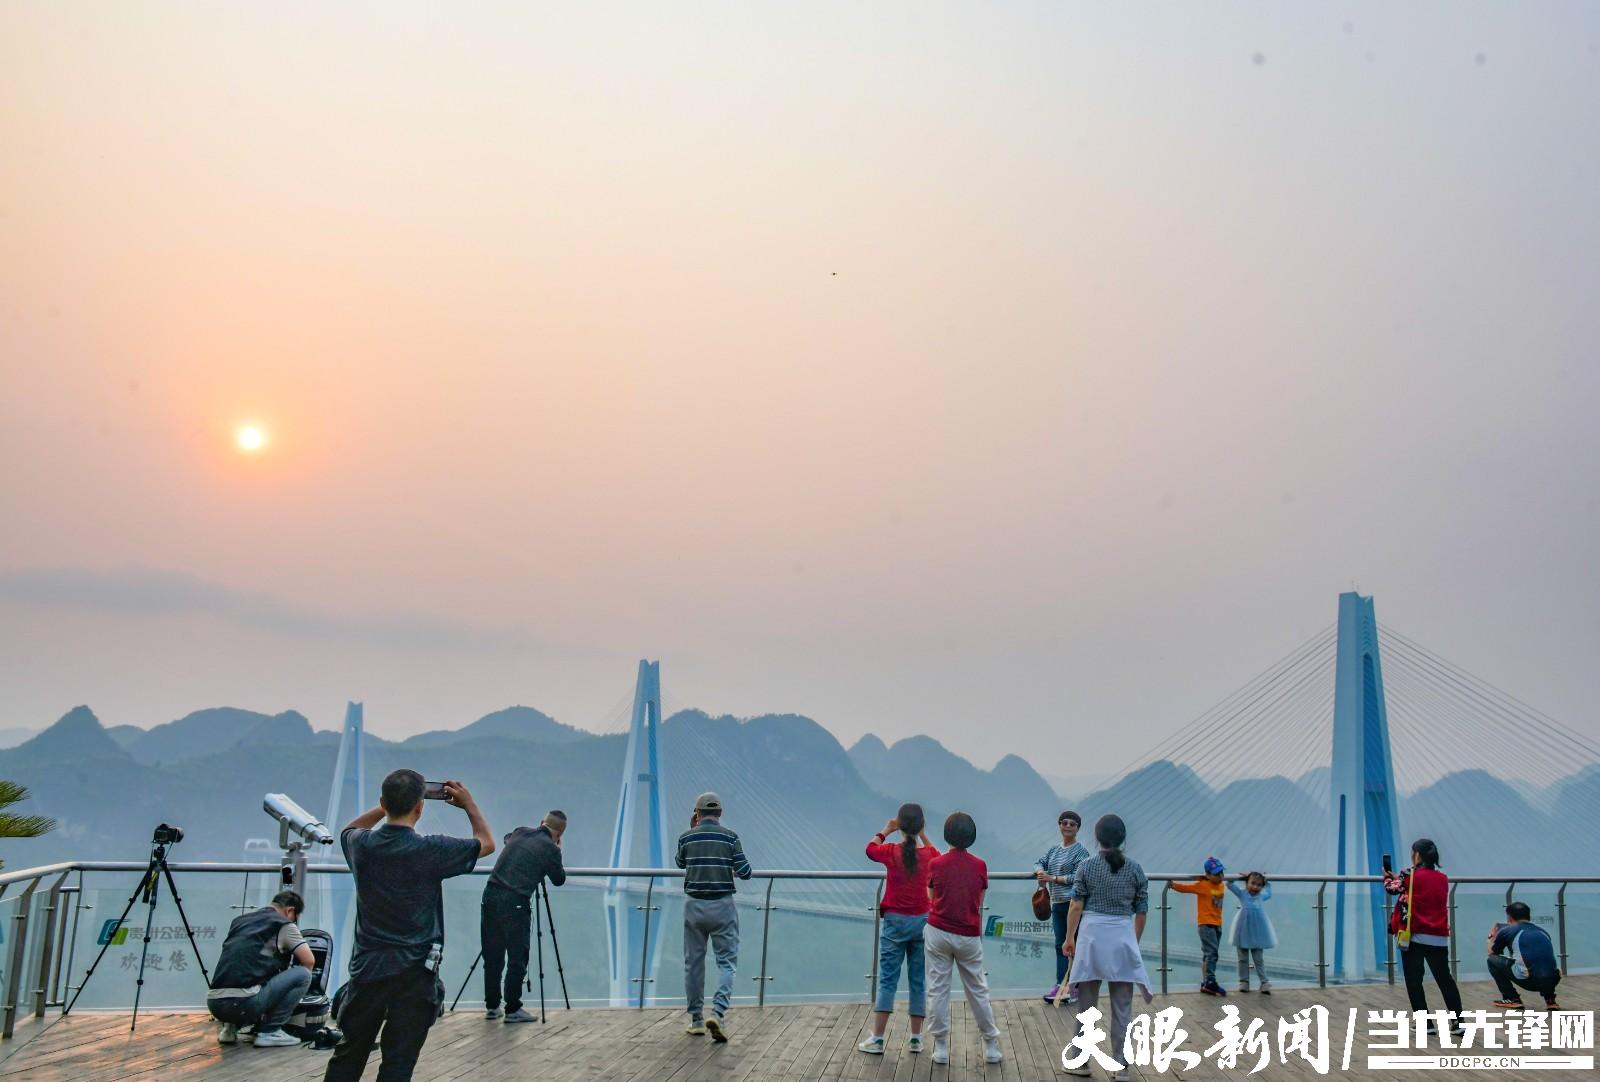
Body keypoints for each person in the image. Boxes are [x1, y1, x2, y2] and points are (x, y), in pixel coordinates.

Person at [324, 771, 493, 1082]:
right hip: (415, 973)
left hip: (368, 969)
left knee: (349, 1055)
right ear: (420, 806)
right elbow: (486, 844)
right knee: (398, 1064)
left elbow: (350, 828)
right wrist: (468, 804)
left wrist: (386, 807)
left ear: (383, 802)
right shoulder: (431, 850)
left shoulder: (362, 846)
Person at [1062, 814, 1153, 1082]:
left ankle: (1081, 1062)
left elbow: (1076, 905)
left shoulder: (1086, 866)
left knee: (1087, 1006)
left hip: (1091, 937)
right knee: (1122, 1007)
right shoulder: (1135, 869)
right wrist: (1131, 943)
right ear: (1123, 839)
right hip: (1122, 937)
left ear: (1096, 837)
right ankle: (1121, 1066)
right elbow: (1142, 911)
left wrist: (1069, 938)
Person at [857, 803, 938, 1056]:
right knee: (918, 981)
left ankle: (878, 1038)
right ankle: (916, 1039)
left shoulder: (891, 851)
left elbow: (869, 849)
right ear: (921, 825)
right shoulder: (929, 856)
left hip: (895, 922)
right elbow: (937, 853)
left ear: (900, 826)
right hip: (922, 922)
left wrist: (886, 829)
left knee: (888, 980)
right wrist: (923, 834)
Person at [924, 811, 1003, 1066]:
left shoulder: (936, 864)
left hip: (938, 931)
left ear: (947, 835)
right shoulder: (980, 865)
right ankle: (991, 1045)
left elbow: (931, 896)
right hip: (968, 934)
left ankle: (941, 1047)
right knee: (977, 989)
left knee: (938, 989)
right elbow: (979, 900)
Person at [676, 791, 752, 1043]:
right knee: (726, 963)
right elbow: (745, 871)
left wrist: (692, 831)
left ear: (696, 814)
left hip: (694, 906)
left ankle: (696, 1020)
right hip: (722, 906)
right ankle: (718, 1014)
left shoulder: (686, 837)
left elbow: (680, 863)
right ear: (720, 813)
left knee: (693, 964)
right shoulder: (731, 838)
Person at [481, 810, 567, 1022]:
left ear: (541, 823)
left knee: (492, 955)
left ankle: (492, 1007)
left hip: (490, 896)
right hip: (515, 904)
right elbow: (559, 879)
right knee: (517, 958)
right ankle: (513, 1009)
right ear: (559, 835)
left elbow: (506, 839)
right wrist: (557, 850)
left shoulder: (520, 832)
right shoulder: (551, 849)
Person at [207, 889, 316, 1048]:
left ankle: (229, 1029)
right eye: (295, 918)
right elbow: (309, 961)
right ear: (290, 911)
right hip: (244, 1004)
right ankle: (270, 1032)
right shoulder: (283, 924)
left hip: (214, 1004)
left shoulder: (240, 921)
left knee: (248, 976)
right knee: (303, 975)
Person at [1383, 837, 1463, 1034]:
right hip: (1439, 936)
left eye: (1413, 853)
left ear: (1417, 855)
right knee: (1445, 979)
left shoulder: (1410, 875)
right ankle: (1459, 1022)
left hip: (1415, 936)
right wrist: (1400, 879)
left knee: (1414, 979)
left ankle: (1425, 1022)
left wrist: (1387, 877)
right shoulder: (1442, 879)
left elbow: (1392, 889)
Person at [1035, 809, 1089, 1003]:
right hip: (1057, 904)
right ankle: (1061, 985)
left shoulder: (1081, 852)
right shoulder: (1054, 850)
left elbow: (1079, 877)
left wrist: (1052, 878)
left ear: (1078, 829)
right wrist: (1040, 872)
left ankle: (1073, 987)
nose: (1067, 826)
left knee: (1073, 944)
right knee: (1060, 945)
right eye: (1064, 823)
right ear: (1059, 825)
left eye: (1072, 824)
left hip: (1073, 904)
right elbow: (1038, 862)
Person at [1487, 901, 1562, 1010]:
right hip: (1553, 980)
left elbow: (1492, 953)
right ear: (1529, 916)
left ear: (1509, 917)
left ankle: (1512, 998)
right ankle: (1550, 1000)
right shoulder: (1542, 931)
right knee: (1542, 963)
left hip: (1528, 980)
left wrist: (1491, 937)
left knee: (1492, 960)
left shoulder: (1506, 930)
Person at [1171, 857, 1228, 995]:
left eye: (1221, 872)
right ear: (1208, 875)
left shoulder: (1221, 885)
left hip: (1217, 924)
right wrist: (1172, 884)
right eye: (1216, 874)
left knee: (1208, 954)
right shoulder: (1203, 885)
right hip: (1206, 924)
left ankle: (1205, 982)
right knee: (1212, 954)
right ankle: (1210, 981)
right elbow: (1186, 888)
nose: (1220, 876)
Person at [1228, 871, 1275, 994]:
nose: (1255, 887)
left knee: (1258, 959)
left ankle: (1264, 982)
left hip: (1258, 931)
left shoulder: (1261, 896)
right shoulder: (1242, 893)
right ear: (1246, 883)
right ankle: (1244, 982)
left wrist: (1268, 881)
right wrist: (1237, 878)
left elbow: (1269, 893)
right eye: (1252, 883)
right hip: (1243, 929)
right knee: (1242, 957)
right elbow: (1229, 885)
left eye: (1259, 885)